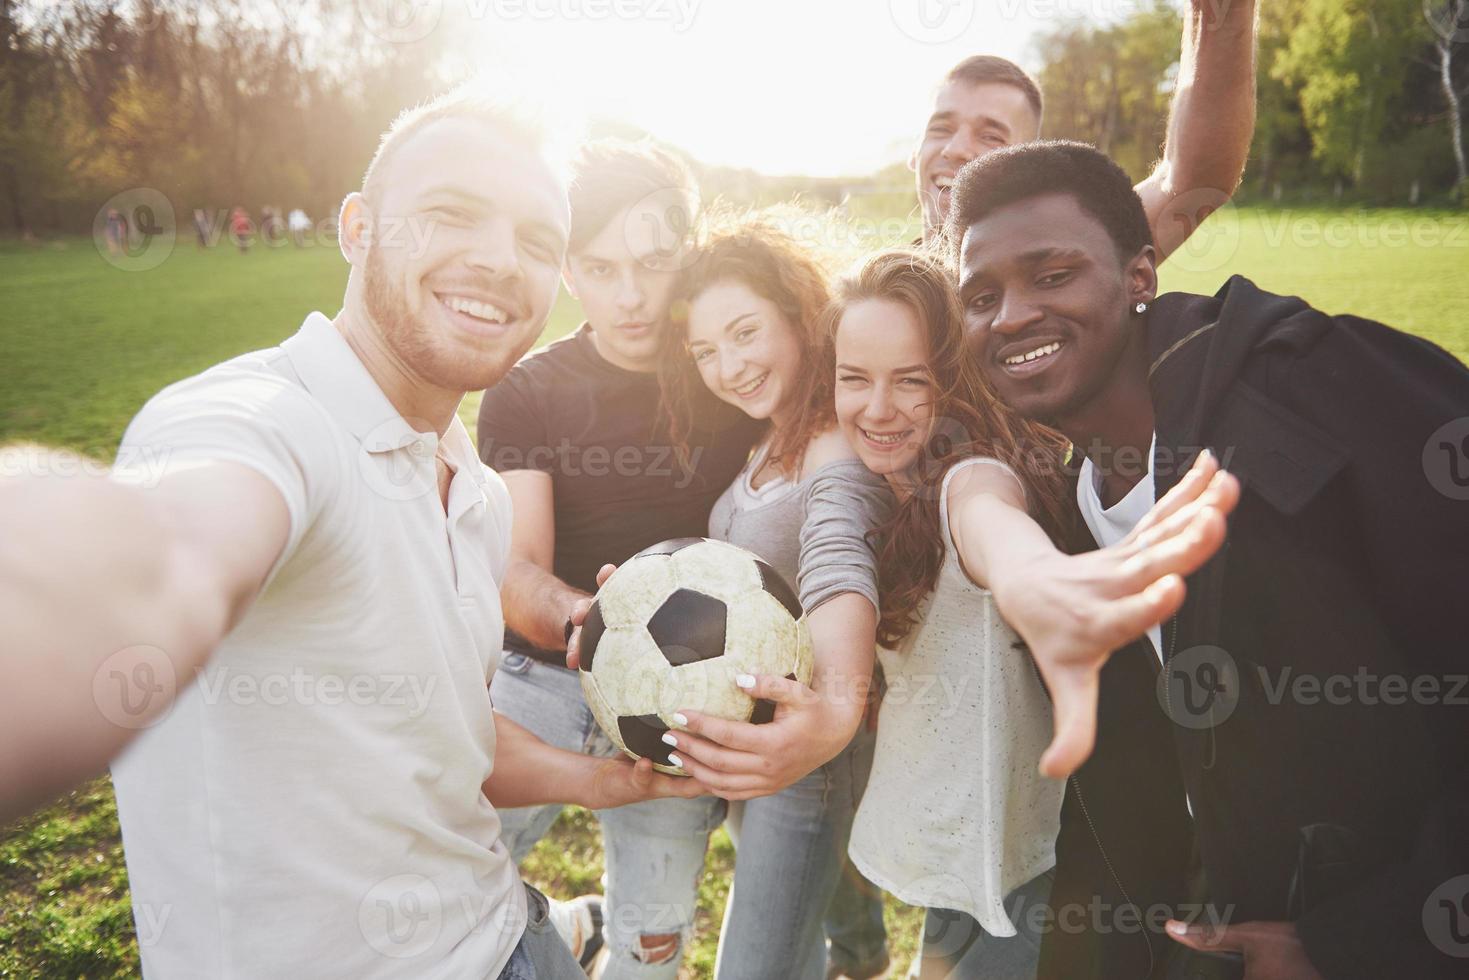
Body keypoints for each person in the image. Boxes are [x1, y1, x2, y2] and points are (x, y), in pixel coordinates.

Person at [0, 86, 707, 979]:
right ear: (357, 226)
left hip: (509, 939)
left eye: (535, 240)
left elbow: (449, 740)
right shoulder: (254, 424)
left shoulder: (476, 497)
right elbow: (162, 548)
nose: (499, 260)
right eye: (453, 214)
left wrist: (608, 782)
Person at [949, 139, 1469, 980]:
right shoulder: (1071, 514)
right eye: (980, 295)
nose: (1009, 316)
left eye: (1052, 276)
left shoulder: (1315, 385)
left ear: (1140, 275)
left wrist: (1366, 942)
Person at [826, 249, 1237, 980]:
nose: (877, 407)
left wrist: (1038, 579)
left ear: (952, 378)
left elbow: (990, 524)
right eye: (854, 378)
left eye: (909, 380)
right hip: (966, 853)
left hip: (1040, 871)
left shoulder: (970, 473)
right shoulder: (885, 481)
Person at [476, 138, 762, 978]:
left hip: (690, 702)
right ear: (567, 269)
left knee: (650, 955)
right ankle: (558, 929)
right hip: (541, 683)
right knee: (430, 886)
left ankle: (609, 941)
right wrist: (590, 618)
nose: (630, 296)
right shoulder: (526, 390)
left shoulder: (728, 373)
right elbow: (515, 568)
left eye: (654, 262)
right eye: (599, 268)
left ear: (690, 251)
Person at [642, 211, 892, 980]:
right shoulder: (764, 437)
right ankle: (863, 957)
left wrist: (840, 703)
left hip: (809, 749)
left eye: (745, 333)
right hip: (755, 734)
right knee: (823, 923)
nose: (728, 367)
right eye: (706, 351)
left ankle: (858, 956)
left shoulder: (836, 445)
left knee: (756, 965)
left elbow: (837, 548)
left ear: (799, 314)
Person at [910, 0, 1259, 253]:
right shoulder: (871, 287)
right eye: (941, 128)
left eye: (991, 136)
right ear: (915, 153)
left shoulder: (1069, 258)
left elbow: (1188, 182)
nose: (955, 149)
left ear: (1028, 167)